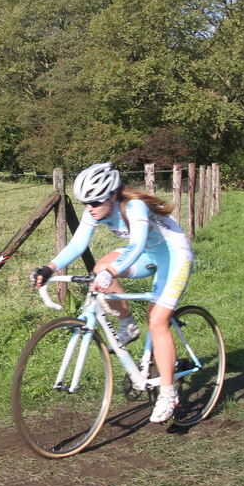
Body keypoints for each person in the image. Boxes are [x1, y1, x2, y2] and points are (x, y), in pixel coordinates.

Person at [31, 162, 195, 425]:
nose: (90, 208)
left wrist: (113, 271)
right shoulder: (95, 210)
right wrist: (50, 268)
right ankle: (127, 325)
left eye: (95, 202)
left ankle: (168, 394)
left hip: (175, 256)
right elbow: (77, 244)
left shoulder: (134, 206)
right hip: (148, 254)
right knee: (99, 269)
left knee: (157, 321)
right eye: (85, 203)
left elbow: (136, 245)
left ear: (112, 196)